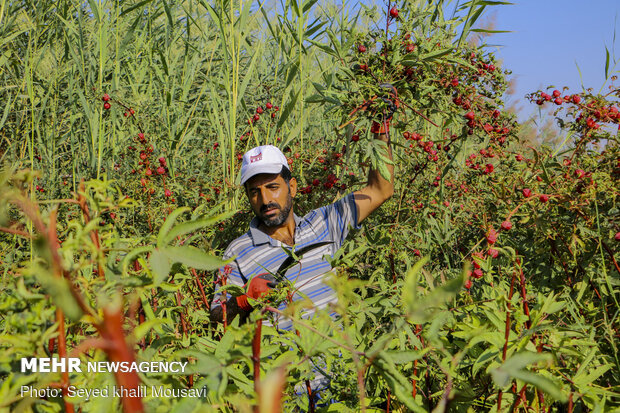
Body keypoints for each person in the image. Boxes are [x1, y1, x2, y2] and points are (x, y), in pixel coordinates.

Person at [209, 123, 394, 328]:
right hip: (283, 359)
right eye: (255, 192)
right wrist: (244, 300)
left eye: (273, 187)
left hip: (338, 357)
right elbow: (218, 319)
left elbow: (380, 190)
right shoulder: (238, 251)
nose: (265, 199)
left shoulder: (322, 223)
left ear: (292, 187)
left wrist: (380, 125)